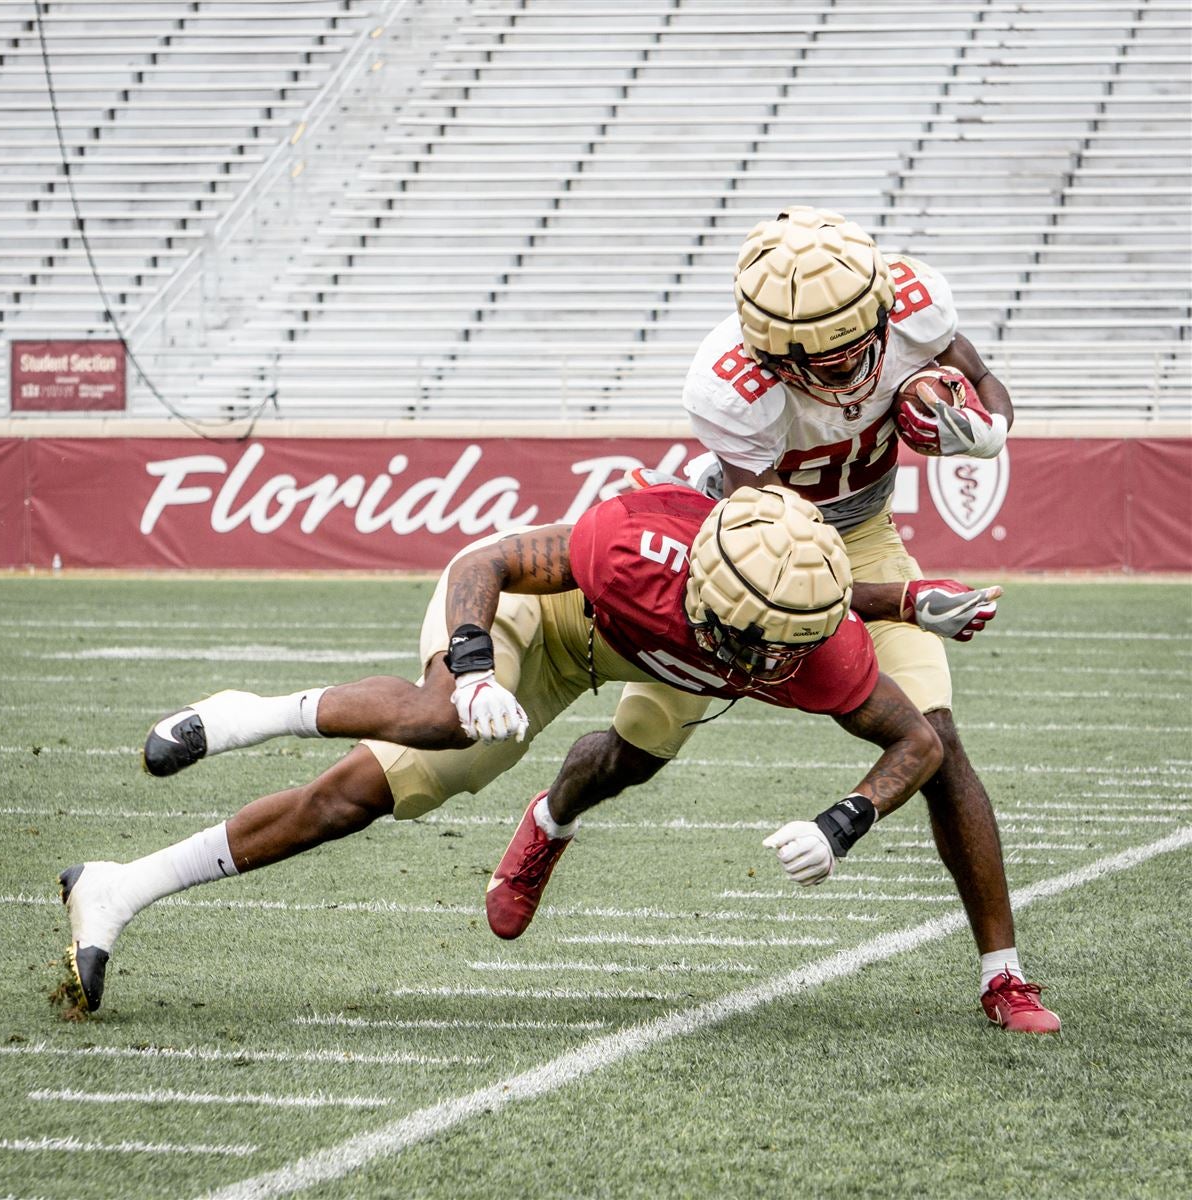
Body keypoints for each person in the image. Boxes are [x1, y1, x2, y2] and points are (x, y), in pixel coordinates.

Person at [60, 484, 956, 1023]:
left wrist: (847, 822)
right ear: (701, 586)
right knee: (422, 736)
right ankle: (244, 718)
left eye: (784, 648)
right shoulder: (630, 548)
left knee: (631, 757)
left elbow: (916, 740)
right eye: (751, 641)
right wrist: (480, 665)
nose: (768, 666)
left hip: (658, 662)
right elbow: (484, 562)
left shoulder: (809, 636)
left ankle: (115, 882)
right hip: (551, 623)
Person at [680, 205, 1059, 1032]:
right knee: (644, 739)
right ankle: (552, 824)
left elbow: (988, 382)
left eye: (862, 344)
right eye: (823, 358)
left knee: (939, 739)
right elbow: (783, 570)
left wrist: (986, 431)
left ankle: (1005, 974)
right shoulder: (731, 387)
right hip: (746, 553)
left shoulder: (913, 301)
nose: (853, 369)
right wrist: (913, 602)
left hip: (865, 533)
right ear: (772, 351)